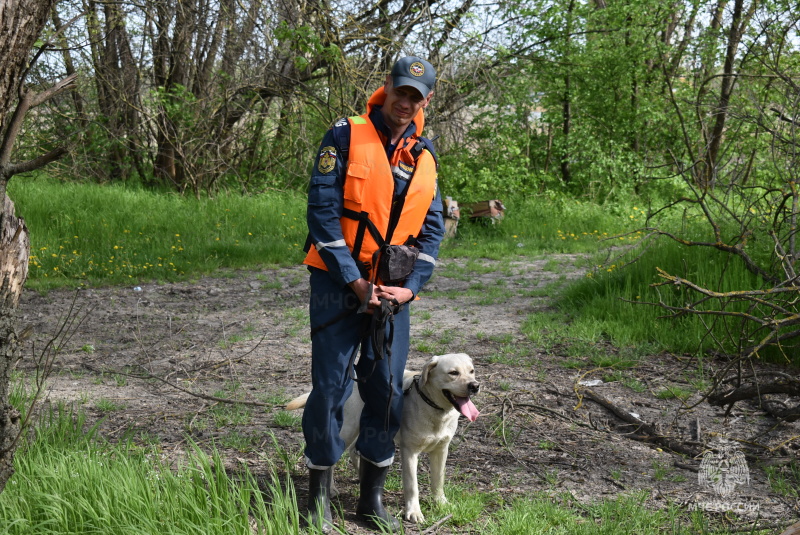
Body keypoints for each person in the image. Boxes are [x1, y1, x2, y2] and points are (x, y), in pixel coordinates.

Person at [300, 56, 445, 532]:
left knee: (384, 387)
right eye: (400, 92)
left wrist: (407, 290)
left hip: (391, 294)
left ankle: (370, 499)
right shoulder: (344, 136)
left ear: (425, 102)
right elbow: (321, 213)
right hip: (338, 284)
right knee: (329, 387)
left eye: (416, 97)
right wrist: (354, 280)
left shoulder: (424, 156)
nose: (406, 103)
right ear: (386, 88)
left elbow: (431, 232)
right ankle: (317, 495)